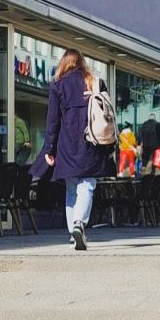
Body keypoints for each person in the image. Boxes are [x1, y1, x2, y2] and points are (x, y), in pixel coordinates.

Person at [38, 49, 112, 250]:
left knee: (71, 189)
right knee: (87, 184)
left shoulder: (58, 85)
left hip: (67, 144)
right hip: (92, 142)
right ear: (82, 63)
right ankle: (80, 223)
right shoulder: (95, 82)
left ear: (64, 63)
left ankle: (73, 233)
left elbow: (52, 121)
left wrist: (49, 149)